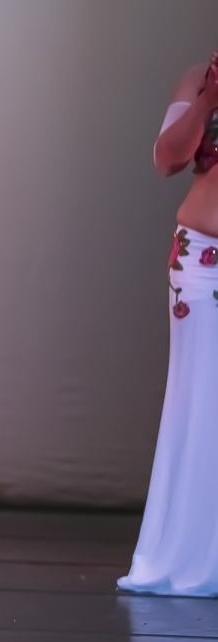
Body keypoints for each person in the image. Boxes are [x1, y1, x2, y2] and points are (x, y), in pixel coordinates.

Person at [119, 54, 218, 596]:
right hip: (202, 263)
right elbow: (167, 159)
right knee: (199, 401)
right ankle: (189, 551)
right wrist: (208, 102)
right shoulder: (202, 78)